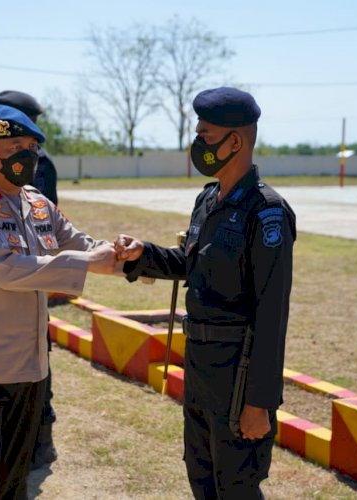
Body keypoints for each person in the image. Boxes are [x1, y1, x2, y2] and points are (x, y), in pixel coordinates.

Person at [115, 87, 296, 500]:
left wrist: (260, 402)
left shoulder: (266, 212)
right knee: (200, 476)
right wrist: (144, 254)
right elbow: (191, 262)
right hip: (200, 365)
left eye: (205, 134)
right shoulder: (208, 199)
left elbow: (272, 315)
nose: (197, 144)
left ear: (235, 141)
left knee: (236, 486)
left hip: (238, 372)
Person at [0, 104, 117, 499]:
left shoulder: (37, 203)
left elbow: (82, 243)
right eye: (15, 146)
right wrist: (90, 263)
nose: (27, 155)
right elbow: (8, 269)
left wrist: (129, 258)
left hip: (28, 371)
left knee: (14, 485)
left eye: (31, 146)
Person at [0, 89, 59, 468]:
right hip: (7, 274)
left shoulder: (39, 163)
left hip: (31, 272)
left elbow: (41, 216)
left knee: (38, 358)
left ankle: (42, 439)